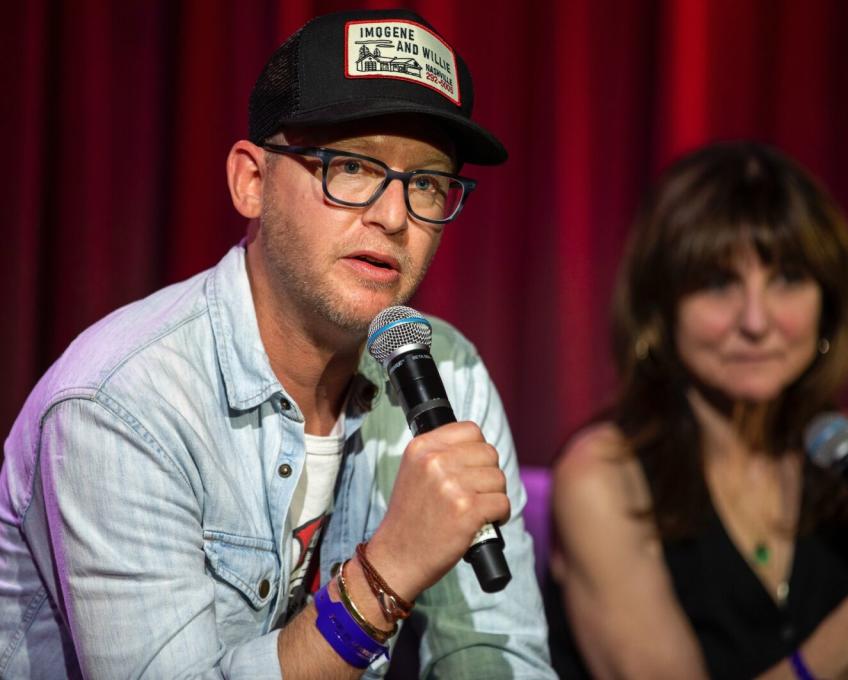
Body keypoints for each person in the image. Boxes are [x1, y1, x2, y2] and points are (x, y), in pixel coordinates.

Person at [0, 9, 555, 679]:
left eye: (428, 184)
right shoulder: (122, 402)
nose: (392, 215)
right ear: (251, 182)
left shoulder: (448, 372)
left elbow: (494, 654)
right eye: (352, 167)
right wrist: (387, 574)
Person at [547, 141, 848, 679]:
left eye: (787, 279)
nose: (757, 322)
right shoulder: (603, 476)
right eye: (719, 283)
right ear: (661, 309)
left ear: (827, 304)